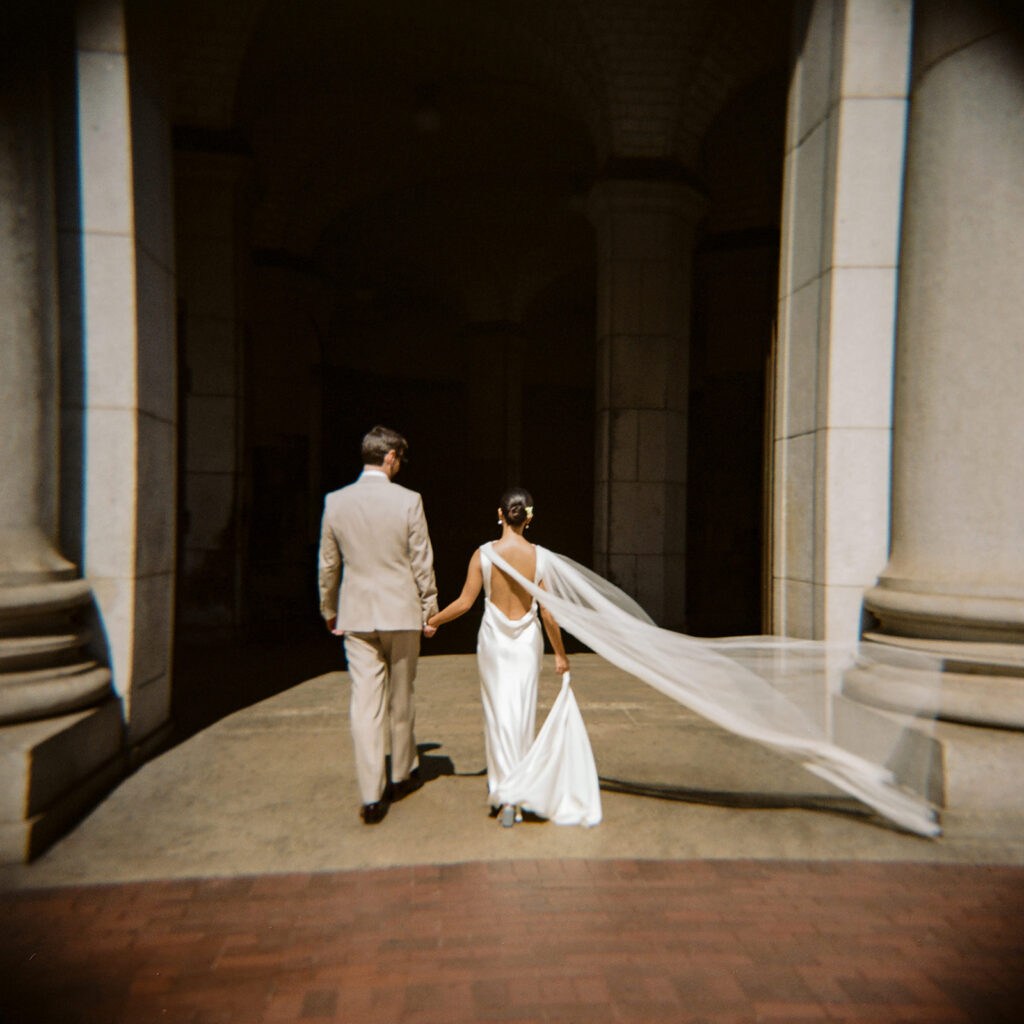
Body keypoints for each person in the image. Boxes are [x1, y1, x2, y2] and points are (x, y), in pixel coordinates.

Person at [428, 487, 602, 828]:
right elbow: (549, 614)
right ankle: (517, 794)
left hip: (493, 643)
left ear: (500, 513)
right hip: (526, 643)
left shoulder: (483, 555)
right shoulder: (541, 557)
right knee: (521, 716)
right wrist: (561, 656)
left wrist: (432, 622)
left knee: (497, 717)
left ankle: (505, 794)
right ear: (529, 517)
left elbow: (464, 603)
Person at [318, 426, 438, 825]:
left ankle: (371, 796)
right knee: (401, 695)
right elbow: (421, 560)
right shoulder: (409, 501)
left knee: (364, 702)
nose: (400, 465)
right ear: (389, 457)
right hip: (401, 612)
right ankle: (402, 773)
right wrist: (430, 607)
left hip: (356, 612)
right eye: (399, 458)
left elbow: (329, 563)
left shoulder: (335, 502)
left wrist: (329, 608)